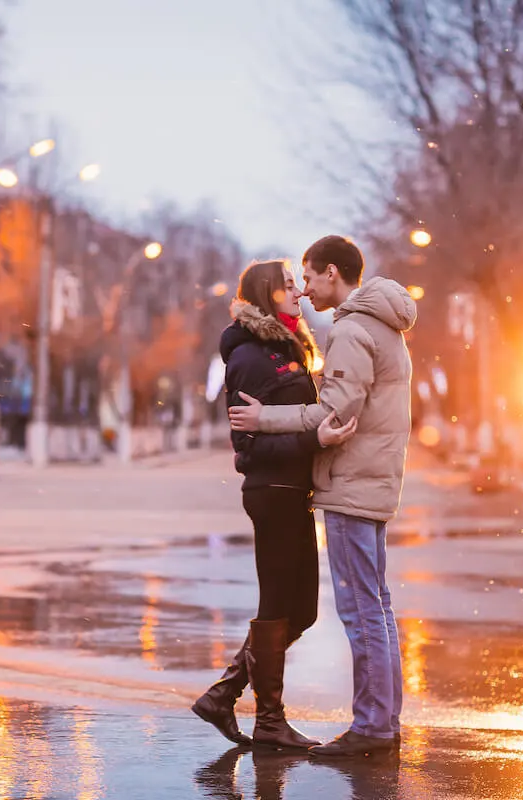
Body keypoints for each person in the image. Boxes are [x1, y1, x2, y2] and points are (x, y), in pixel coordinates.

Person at [229, 236, 417, 758]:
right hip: (372, 482)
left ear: (333, 273)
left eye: (309, 278)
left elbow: (334, 413)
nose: (306, 290)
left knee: (362, 612)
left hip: (352, 484)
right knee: (377, 608)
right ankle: (384, 720)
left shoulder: (353, 329)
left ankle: (373, 727)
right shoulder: (383, 323)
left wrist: (263, 418)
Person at [191, 259, 357, 750]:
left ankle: (225, 694)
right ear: (267, 294)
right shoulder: (250, 356)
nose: (299, 293)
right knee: (279, 607)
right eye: (289, 286)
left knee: (299, 610)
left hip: (293, 491)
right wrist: (315, 439)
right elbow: (250, 446)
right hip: (271, 491)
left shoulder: (287, 348)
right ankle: (268, 721)